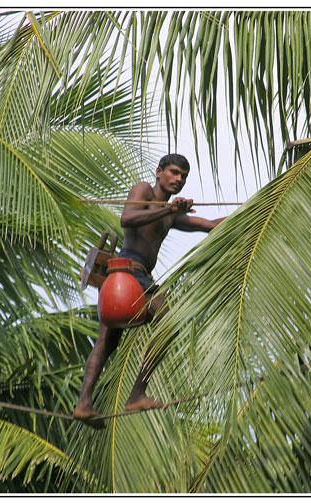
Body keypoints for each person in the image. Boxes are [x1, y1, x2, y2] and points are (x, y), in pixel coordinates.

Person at [73, 153, 225, 425]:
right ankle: (135, 394)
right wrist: (170, 209)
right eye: (174, 172)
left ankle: (86, 404)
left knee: (108, 341)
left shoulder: (170, 215)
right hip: (127, 270)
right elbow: (128, 218)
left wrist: (251, 208)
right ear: (159, 172)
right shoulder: (144, 190)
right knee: (166, 321)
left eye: (183, 177)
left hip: (133, 276)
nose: (178, 179)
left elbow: (211, 226)